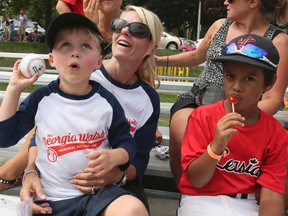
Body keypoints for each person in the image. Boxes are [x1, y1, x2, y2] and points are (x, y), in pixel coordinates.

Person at [3, 5, 163, 215]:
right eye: (120, 25)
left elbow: (136, 155)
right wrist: (30, 172)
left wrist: (114, 170)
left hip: (108, 191)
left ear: (152, 47)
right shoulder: (79, 78)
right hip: (54, 189)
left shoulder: (142, 98)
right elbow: (41, 133)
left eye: (138, 30)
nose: (125, 31)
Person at [155, 0, 288, 185]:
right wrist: (158, 61)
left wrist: (237, 117)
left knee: (229, 137)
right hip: (198, 97)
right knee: (181, 127)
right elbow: (196, 56)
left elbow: (273, 98)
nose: (225, 1)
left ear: (252, 2)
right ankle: (186, 188)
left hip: (242, 105)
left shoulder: (278, 40)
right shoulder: (219, 25)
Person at [178, 33, 287, 216]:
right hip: (200, 198)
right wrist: (215, 147)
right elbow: (196, 180)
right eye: (230, 76)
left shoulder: (276, 134)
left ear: (269, 83)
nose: (236, 86)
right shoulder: (202, 117)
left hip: (247, 203)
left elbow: (271, 197)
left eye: (249, 78)